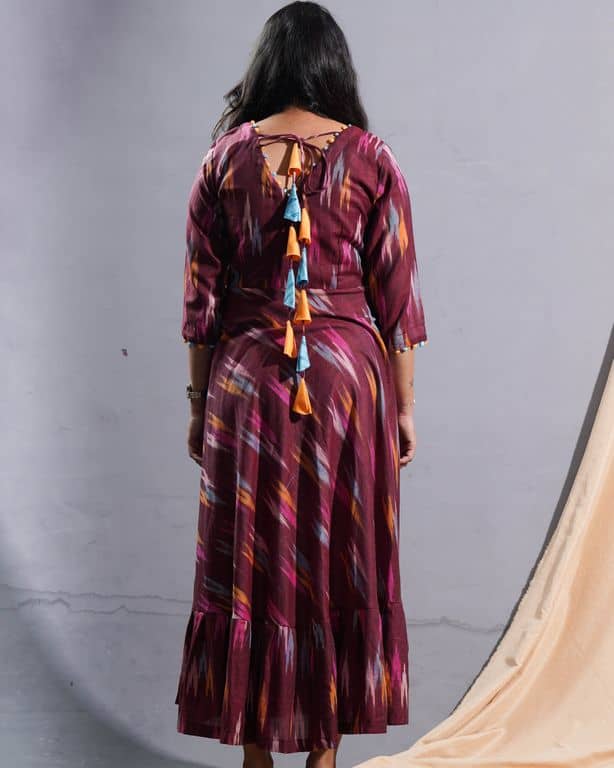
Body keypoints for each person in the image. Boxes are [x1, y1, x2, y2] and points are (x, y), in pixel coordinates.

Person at [174, 2, 428, 766]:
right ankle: (324, 757)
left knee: (248, 564)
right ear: (333, 70)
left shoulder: (222, 162)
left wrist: (198, 407)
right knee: (341, 560)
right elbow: (398, 303)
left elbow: (201, 307)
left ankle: (255, 755)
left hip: (246, 384)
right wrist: (405, 409)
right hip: (350, 387)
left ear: (266, 68)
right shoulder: (373, 160)